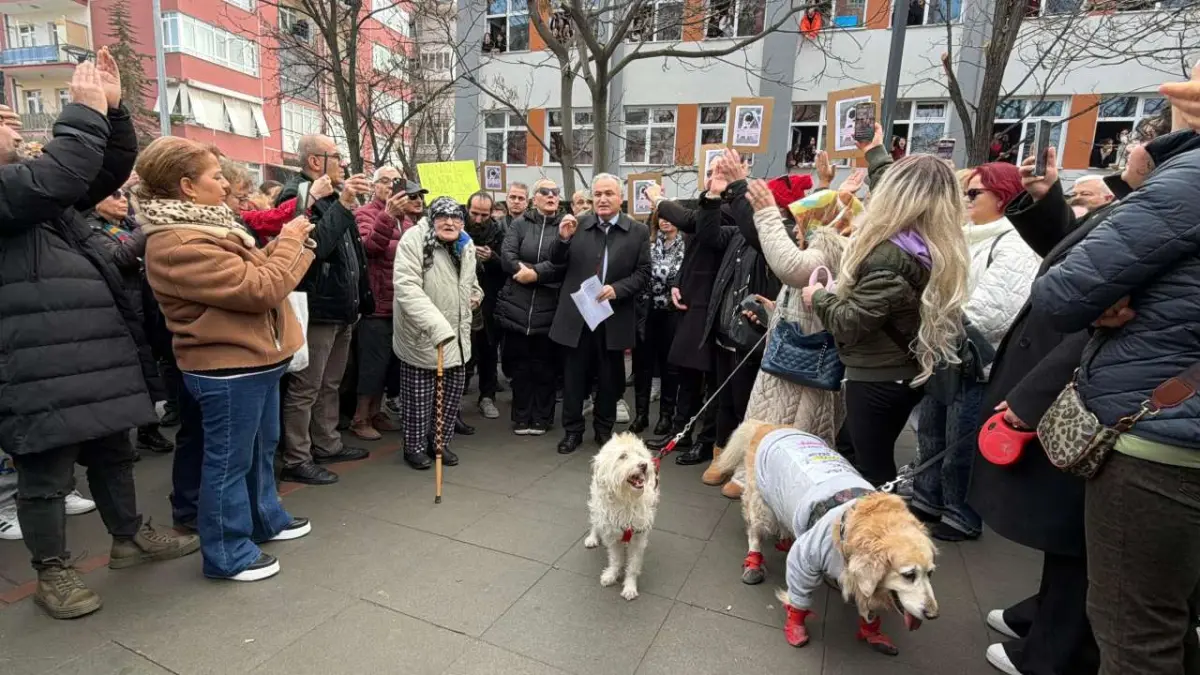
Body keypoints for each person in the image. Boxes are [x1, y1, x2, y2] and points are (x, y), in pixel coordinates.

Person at [0, 54, 199, 619]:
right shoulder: (20, 189)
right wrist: (82, 112)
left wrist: (110, 111)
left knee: (114, 452)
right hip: (34, 361)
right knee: (45, 471)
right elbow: (60, 174)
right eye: (2, 117)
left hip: (89, 353)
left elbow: (98, 174)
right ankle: (53, 571)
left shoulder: (32, 191)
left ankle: (129, 536)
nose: (14, 120)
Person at [1029, 128, 1200, 675]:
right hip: (1175, 424)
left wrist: (1146, 176)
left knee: (1133, 636)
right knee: (1169, 618)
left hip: (1162, 442)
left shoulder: (1189, 178)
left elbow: (1059, 290)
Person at [967, 144, 1127, 675]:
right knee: (1063, 530)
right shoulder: (1147, 203)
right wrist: (1047, 200)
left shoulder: (1168, 209)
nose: (1131, 148)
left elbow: (1097, 320)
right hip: (1070, 385)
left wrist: (1030, 400)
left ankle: (1054, 654)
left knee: (1078, 537)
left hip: (1087, 393)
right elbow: (1078, 255)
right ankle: (1042, 615)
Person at [140, 136, 316, 582]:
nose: (225, 184)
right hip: (227, 368)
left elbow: (257, 273)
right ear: (186, 186)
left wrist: (284, 244)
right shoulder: (179, 243)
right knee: (227, 465)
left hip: (255, 360)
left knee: (261, 449)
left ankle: (263, 518)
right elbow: (260, 290)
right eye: (215, 176)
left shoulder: (209, 225)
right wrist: (291, 243)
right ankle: (227, 552)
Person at [803, 126, 970, 487]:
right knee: (855, 450)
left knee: (871, 466)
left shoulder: (888, 257)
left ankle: (878, 535)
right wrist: (876, 153)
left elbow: (848, 322)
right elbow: (893, 192)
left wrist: (816, 296)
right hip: (901, 370)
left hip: (878, 376)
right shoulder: (924, 242)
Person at [908, 162, 1039, 542]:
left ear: (1002, 196)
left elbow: (997, 308)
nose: (965, 201)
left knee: (960, 441)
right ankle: (926, 498)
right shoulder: (966, 238)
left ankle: (961, 513)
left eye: (973, 193)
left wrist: (944, 326)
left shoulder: (1014, 241)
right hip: (944, 350)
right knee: (931, 432)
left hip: (976, 359)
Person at [739, 157, 856, 452]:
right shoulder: (822, 245)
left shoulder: (830, 248)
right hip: (791, 355)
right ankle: (753, 470)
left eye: (803, 219)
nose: (794, 228)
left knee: (794, 436)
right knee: (772, 424)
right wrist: (774, 308)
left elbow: (792, 268)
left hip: (807, 362)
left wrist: (766, 213)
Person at [277, 134, 373, 486]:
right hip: (315, 308)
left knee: (330, 382)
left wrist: (359, 298)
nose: (344, 164)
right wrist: (344, 205)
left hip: (340, 307)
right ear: (315, 161)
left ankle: (327, 443)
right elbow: (316, 247)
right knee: (306, 386)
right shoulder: (297, 196)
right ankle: (297, 457)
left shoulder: (332, 195)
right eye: (337, 157)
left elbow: (350, 253)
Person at [552, 174, 651, 454]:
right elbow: (556, 262)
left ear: (620, 197)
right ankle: (572, 431)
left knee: (610, 380)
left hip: (613, 316)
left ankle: (603, 431)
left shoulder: (637, 231)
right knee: (573, 378)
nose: (603, 199)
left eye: (609, 193)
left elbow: (644, 273)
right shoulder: (577, 224)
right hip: (578, 317)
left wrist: (617, 289)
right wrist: (561, 239)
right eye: (598, 194)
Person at [85, 187, 176, 456]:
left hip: (147, 308)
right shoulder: (91, 229)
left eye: (125, 194)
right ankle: (120, 441)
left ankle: (148, 431)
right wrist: (149, 224)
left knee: (148, 370)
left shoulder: (128, 225)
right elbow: (121, 258)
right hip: (121, 311)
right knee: (126, 377)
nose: (122, 199)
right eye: (113, 194)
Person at [393, 197, 482, 469]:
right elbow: (406, 287)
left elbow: (470, 281)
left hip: (457, 335)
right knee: (419, 399)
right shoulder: (414, 240)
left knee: (450, 396)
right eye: (442, 217)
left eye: (456, 218)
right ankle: (415, 447)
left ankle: (439, 443)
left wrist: (477, 295)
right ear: (432, 219)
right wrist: (437, 327)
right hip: (424, 334)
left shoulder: (465, 244)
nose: (450, 222)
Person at [497, 179, 567, 436]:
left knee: (546, 366)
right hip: (518, 304)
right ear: (534, 198)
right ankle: (521, 416)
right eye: (545, 192)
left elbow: (563, 263)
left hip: (551, 306)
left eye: (555, 192)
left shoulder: (566, 226)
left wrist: (535, 274)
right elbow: (507, 256)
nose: (551, 196)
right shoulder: (519, 224)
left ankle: (542, 417)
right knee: (521, 366)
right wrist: (521, 271)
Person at [349, 165, 410, 440]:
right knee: (372, 364)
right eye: (384, 181)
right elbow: (370, 247)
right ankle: (360, 417)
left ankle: (377, 411)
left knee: (389, 364)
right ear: (374, 186)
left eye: (394, 182)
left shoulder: (407, 220)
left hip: (400, 302)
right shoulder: (365, 214)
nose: (389, 186)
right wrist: (387, 216)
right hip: (377, 302)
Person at [630, 211, 686, 435]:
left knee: (669, 367)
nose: (665, 221)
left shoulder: (686, 246)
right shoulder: (649, 244)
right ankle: (641, 415)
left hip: (672, 312)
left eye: (669, 216)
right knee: (642, 365)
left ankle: (666, 416)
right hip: (647, 310)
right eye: (660, 217)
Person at [464, 191, 506, 420]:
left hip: (489, 298)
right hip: (460, 298)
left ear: (492, 213)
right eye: (474, 213)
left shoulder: (499, 232)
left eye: (484, 214)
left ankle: (487, 395)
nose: (478, 220)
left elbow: (508, 267)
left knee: (489, 348)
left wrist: (492, 258)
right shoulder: (457, 227)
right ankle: (456, 396)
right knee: (460, 348)